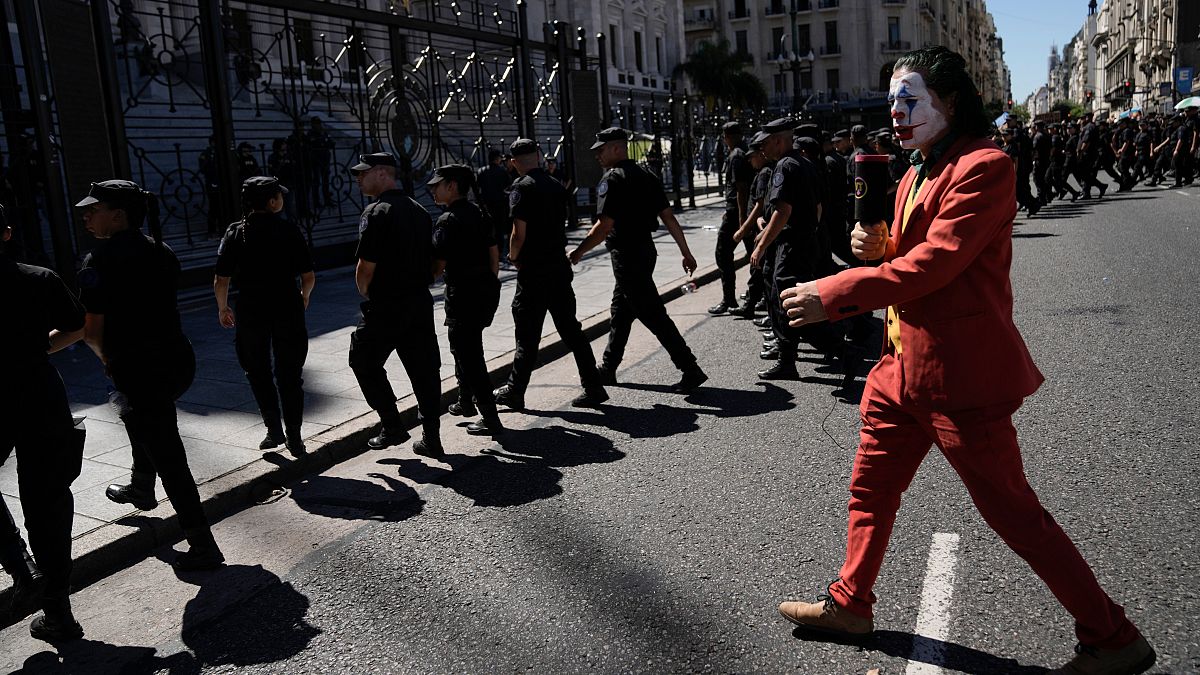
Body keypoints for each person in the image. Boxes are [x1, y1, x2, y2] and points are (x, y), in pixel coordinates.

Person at [775, 46, 1155, 675]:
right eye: (893, 101)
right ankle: (850, 603)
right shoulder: (916, 169)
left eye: (910, 100)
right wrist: (874, 246)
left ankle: (1113, 637)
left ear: (951, 102)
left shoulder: (986, 166)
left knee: (1012, 512)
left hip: (958, 375)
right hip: (898, 366)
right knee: (870, 489)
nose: (897, 114)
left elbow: (938, 263)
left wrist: (834, 294)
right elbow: (907, 251)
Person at [76, 180, 225, 572]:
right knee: (140, 417)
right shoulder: (163, 251)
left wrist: (107, 358)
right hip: (177, 361)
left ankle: (202, 544)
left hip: (140, 368)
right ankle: (141, 488)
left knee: (169, 454)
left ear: (119, 215)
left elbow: (91, 333)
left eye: (95, 209)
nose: (87, 216)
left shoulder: (100, 261)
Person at [0, 204, 87, 641]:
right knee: (48, 502)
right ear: (8, 233)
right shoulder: (38, 278)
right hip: (37, 391)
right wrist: (36, 351)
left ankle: (20, 567)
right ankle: (58, 610)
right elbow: (76, 327)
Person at [569, 128, 707, 392]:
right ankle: (608, 369)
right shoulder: (647, 174)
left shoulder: (613, 179)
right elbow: (668, 216)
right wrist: (685, 252)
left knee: (653, 314)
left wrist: (578, 252)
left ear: (618, 149)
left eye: (602, 149)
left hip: (628, 256)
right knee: (621, 313)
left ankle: (690, 368)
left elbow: (604, 226)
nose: (597, 155)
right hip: (645, 252)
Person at [494, 139, 608, 410]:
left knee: (527, 335)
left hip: (533, 271)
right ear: (539, 156)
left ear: (513, 162)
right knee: (571, 330)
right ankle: (593, 385)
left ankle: (515, 390)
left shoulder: (521, 188)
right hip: (558, 267)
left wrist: (512, 256)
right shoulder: (556, 185)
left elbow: (517, 233)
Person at [347, 153, 442, 456]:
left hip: (387, 304)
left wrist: (365, 291)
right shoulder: (419, 210)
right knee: (424, 369)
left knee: (362, 360)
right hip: (418, 302)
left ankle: (392, 425)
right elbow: (435, 258)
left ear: (381, 173)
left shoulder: (376, 212)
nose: (359, 179)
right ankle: (431, 436)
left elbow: (366, 265)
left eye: (363, 174)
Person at [213, 176, 315, 457]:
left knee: (257, 370)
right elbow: (308, 275)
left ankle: (273, 430)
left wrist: (223, 307)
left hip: (251, 309)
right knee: (290, 373)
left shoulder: (236, 232)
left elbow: (221, 278)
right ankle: (295, 437)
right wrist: (304, 296)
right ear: (272, 202)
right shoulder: (289, 230)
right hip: (287, 307)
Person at [750, 119, 851, 382]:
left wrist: (761, 246)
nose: (763, 149)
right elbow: (818, 207)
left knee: (789, 302)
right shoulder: (806, 164)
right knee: (788, 299)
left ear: (778, 141)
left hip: (792, 245)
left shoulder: (785, 166)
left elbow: (783, 211)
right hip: (806, 243)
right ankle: (791, 359)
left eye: (766, 143)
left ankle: (839, 349)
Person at [427, 164, 503, 437]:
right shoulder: (480, 213)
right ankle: (464, 400)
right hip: (484, 291)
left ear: (453, 186)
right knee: (466, 348)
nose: (432, 189)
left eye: (437, 184)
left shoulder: (447, 221)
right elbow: (494, 256)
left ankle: (490, 418)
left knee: (469, 355)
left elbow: (436, 267)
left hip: (463, 296)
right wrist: (490, 285)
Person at [710, 122, 754, 316]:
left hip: (737, 214)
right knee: (754, 253)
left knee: (722, 254)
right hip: (740, 212)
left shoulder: (736, 155)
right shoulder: (744, 151)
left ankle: (729, 299)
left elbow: (741, 188)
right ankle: (756, 297)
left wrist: (741, 217)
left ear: (727, 136)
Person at [477, 149, 514, 263]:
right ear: (497, 159)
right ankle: (499, 253)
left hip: (486, 205)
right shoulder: (502, 171)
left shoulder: (481, 171)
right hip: (499, 205)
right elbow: (508, 187)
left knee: (486, 230)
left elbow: (478, 188)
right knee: (499, 230)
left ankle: (486, 253)